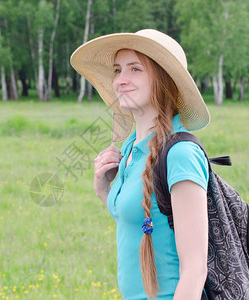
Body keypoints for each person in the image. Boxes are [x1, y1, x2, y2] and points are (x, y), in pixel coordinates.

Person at [71, 29, 210, 299]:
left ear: (163, 79)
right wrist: (104, 190)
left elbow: (195, 269)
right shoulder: (130, 148)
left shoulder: (180, 154)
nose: (121, 80)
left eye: (135, 69)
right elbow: (141, 221)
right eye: (118, 70)